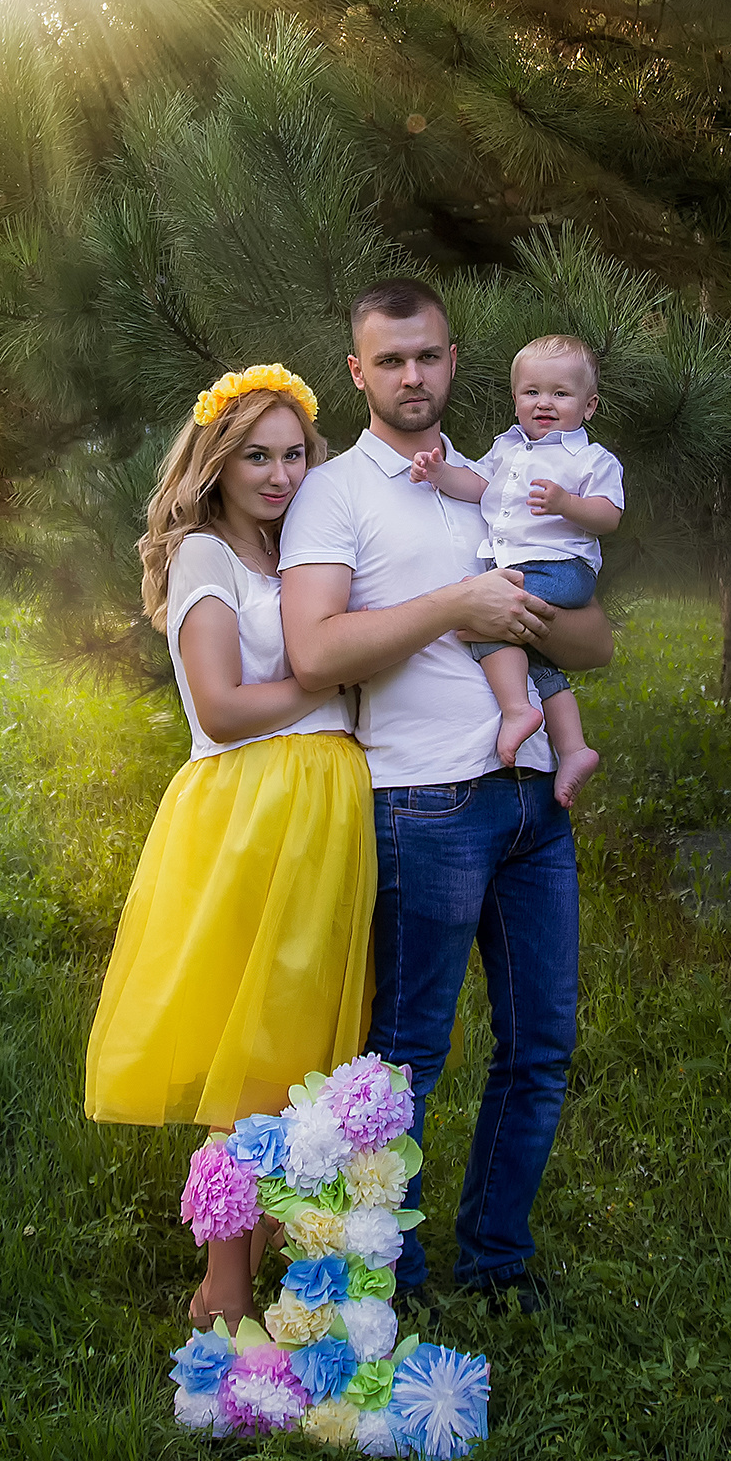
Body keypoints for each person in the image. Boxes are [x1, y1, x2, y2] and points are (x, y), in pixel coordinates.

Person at [278, 280, 613, 1313]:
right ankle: (396, 1279)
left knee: (541, 1047)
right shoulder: (333, 492)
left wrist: (516, 614)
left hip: (531, 806)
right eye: (390, 361)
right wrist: (457, 605)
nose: (412, 376)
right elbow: (315, 649)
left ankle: (498, 1262)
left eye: (426, 356)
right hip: (424, 808)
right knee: (409, 1058)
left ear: (454, 360)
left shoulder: (505, 472)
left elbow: (593, 638)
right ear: (358, 373)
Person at [84, 365, 375, 1332]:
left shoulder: (299, 553)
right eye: (258, 455)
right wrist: (326, 676)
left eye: (295, 455)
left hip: (327, 811)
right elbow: (219, 705)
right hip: (254, 811)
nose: (282, 474)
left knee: (300, 1049)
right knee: (248, 1054)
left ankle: (277, 1255)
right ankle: (227, 1286)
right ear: (218, 460)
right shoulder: (206, 555)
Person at [408, 332, 623, 807]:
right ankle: (574, 748)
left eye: (560, 394)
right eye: (532, 392)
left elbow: (609, 515)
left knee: (486, 613)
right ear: (515, 399)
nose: (544, 403)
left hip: (563, 566)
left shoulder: (589, 458)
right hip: (526, 565)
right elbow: (476, 484)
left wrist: (568, 503)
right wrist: (440, 475)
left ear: (589, 406)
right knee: (537, 659)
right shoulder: (506, 450)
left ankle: (516, 710)